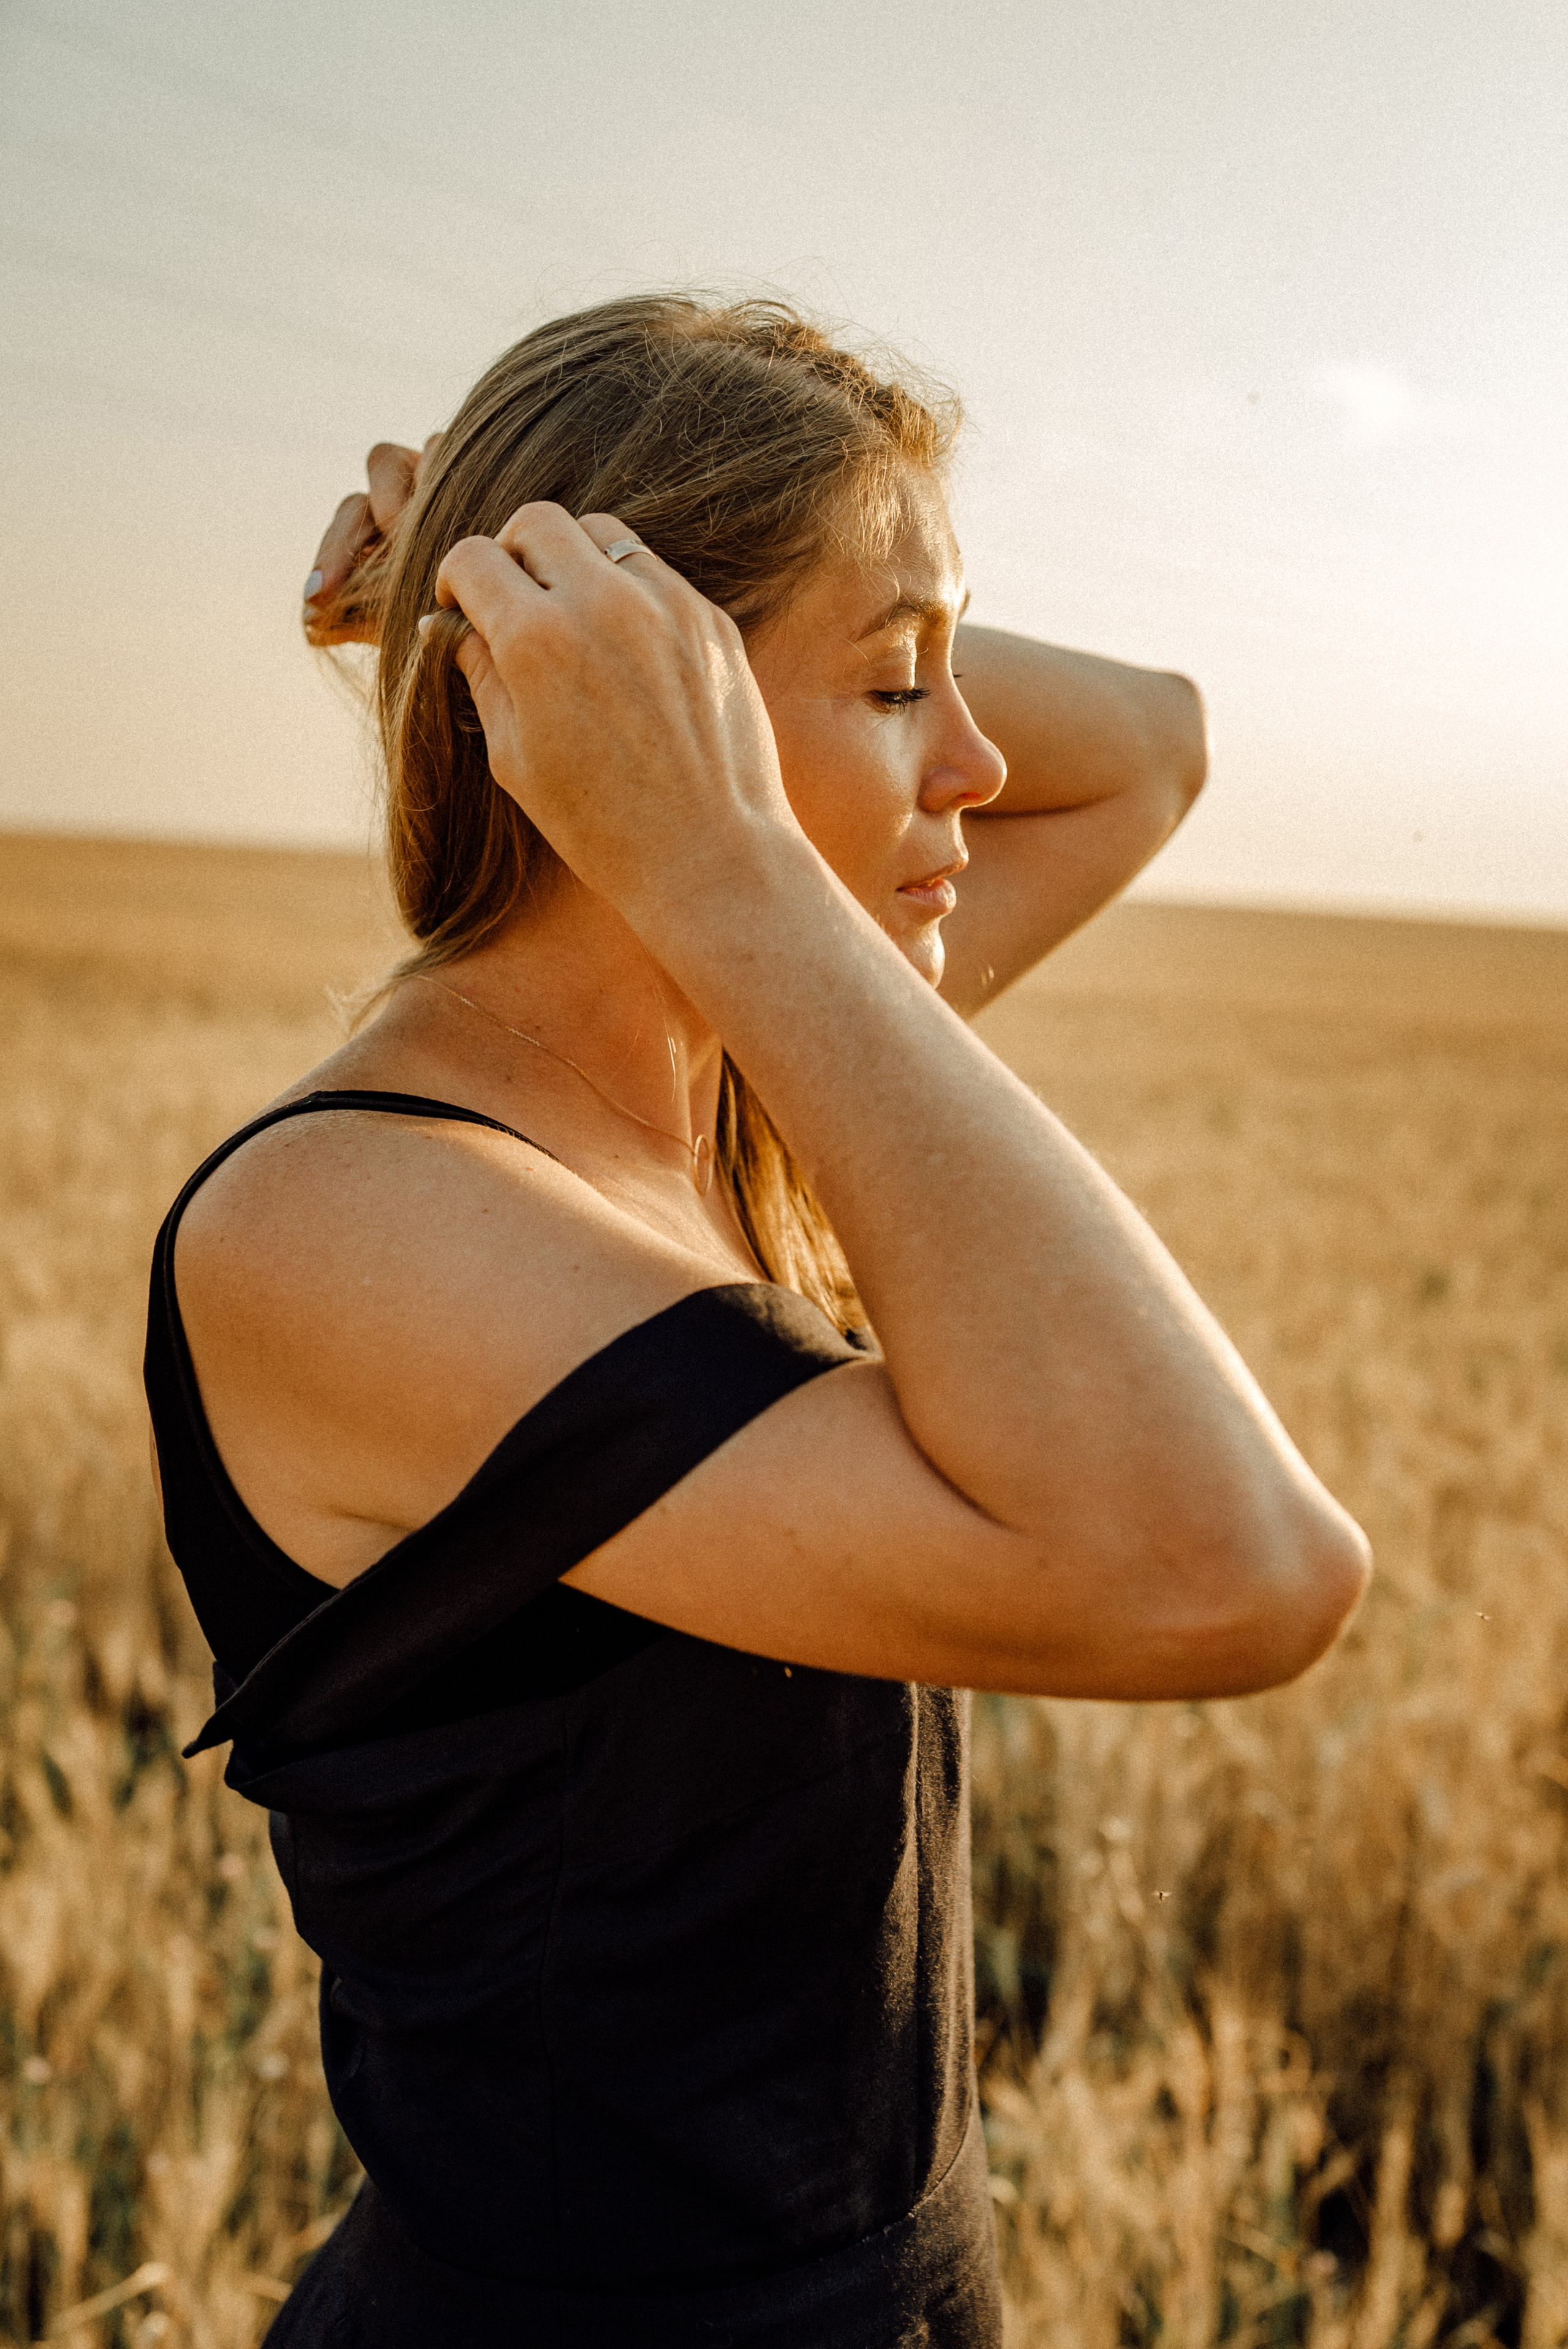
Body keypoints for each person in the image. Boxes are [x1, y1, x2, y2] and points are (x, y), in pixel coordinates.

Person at [143, 295, 1370, 2347]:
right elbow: (1228, 1568)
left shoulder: (722, 1091)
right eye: (901, 687)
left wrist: (497, 598)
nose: (978, 768)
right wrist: (711, 844)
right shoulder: (346, 1215)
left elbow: (1151, 743)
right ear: (667, 723)